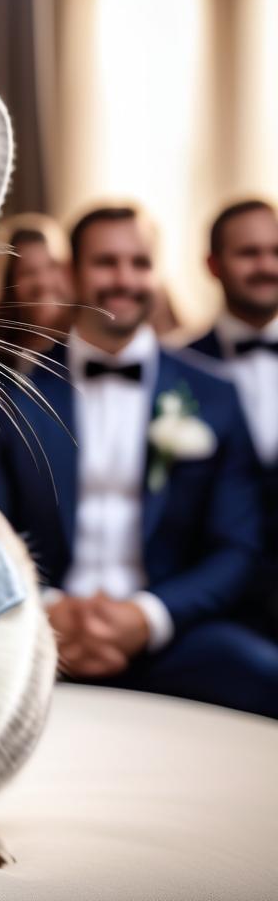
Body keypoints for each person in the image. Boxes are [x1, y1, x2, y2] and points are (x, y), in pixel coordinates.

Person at [0, 205, 278, 718]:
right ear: (70, 273)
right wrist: (49, 609)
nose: (124, 280)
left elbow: (237, 547)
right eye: (106, 263)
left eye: (139, 263)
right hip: (38, 630)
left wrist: (149, 617)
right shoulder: (16, 397)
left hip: (173, 635)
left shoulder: (215, 396)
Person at [187, 199, 278, 637]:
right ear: (213, 264)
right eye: (249, 253)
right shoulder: (176, 369)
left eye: (274, 251)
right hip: (211, 609)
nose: (266, 265)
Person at [0, 213, 71, 375]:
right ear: (6, 284)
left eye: (52, 266)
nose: (43, 281)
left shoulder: (91, 350)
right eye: (28, 272)